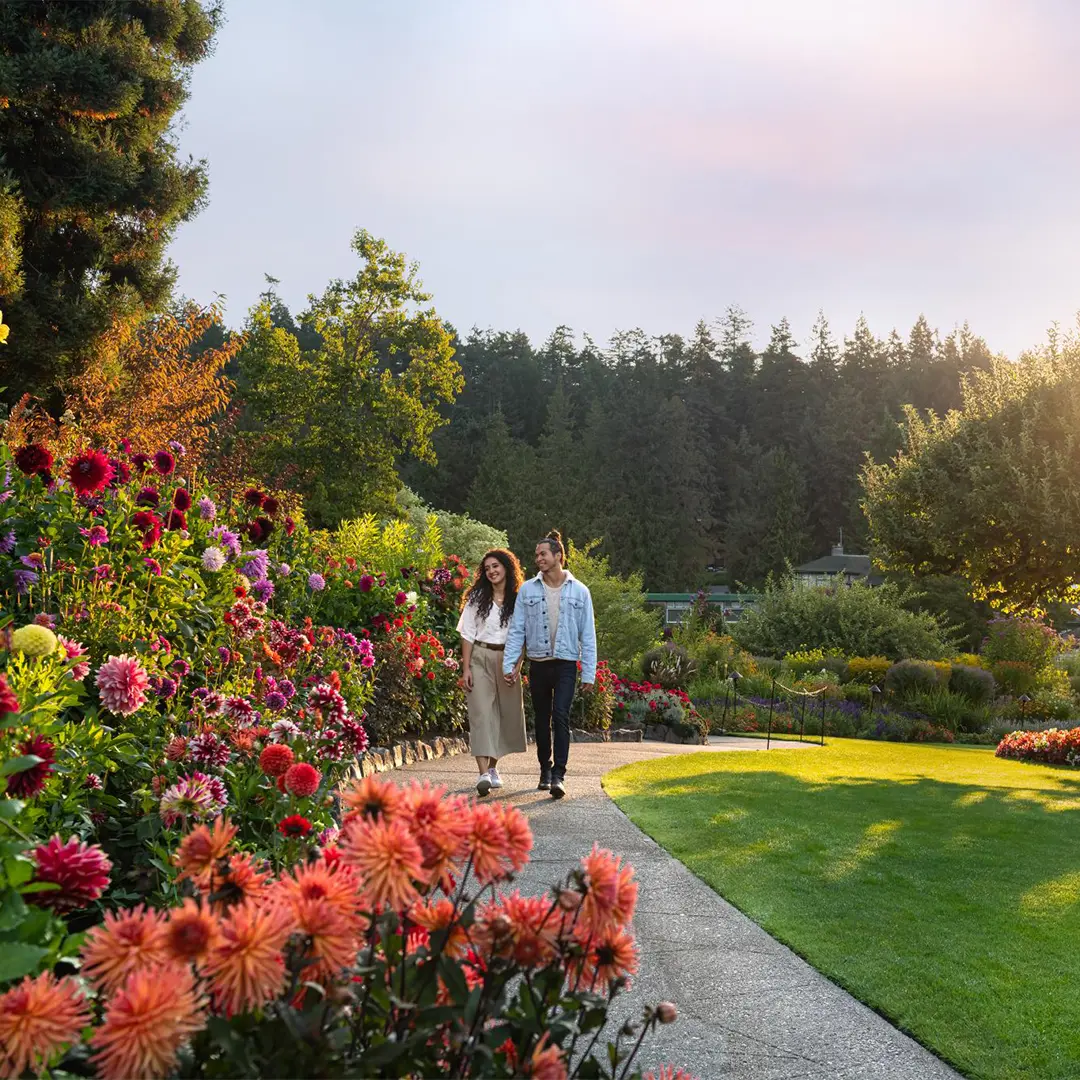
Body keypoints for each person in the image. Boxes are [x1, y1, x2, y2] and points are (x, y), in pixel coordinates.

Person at [503, 530, 597, 800]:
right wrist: (510, 665)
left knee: (561, 716)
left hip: (566, 663)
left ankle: (559, 775)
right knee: (542, 720)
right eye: (537, 555)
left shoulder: (580, 591)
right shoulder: (528, 590)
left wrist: (588, 672)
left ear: (558, 556)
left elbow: (587, 634)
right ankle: (544, 769)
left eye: (543, 554)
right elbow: (517, 630)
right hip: (539, 663)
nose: (538, 559)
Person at [456, 549, 527, 797]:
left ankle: (494, 768)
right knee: (481, 713)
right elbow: (466, 634)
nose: (492, 572)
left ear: (507, 567)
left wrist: (517, 664)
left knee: (504, 714)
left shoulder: (519, 599)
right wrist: (466, 668)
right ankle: (483, 773)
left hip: (507, 658)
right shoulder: (477, 598)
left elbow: (523, 636)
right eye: (487, 569)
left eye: (496, 566)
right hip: (480, 657)